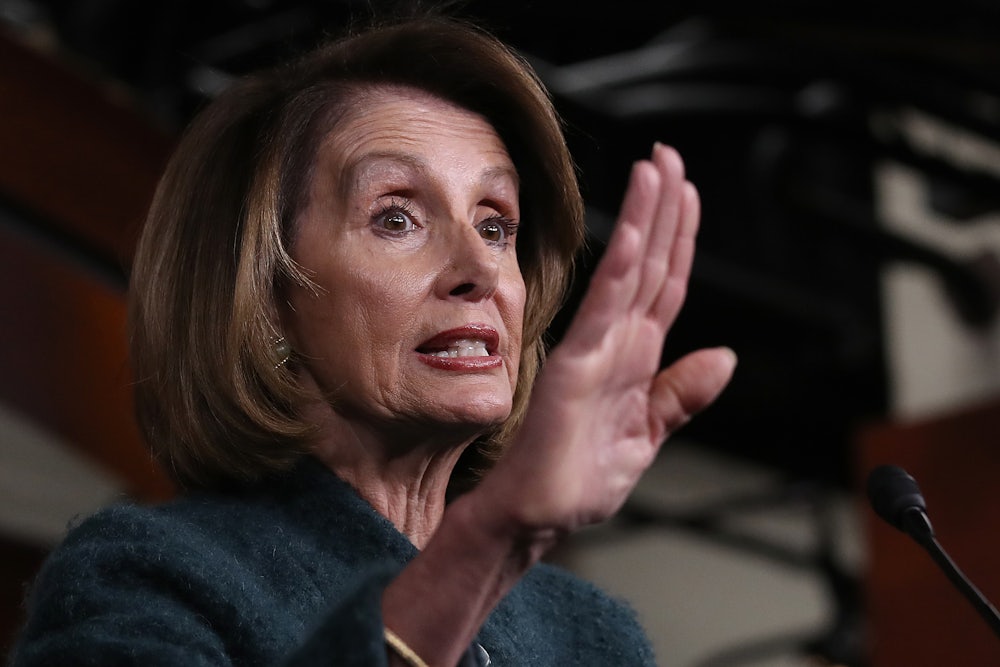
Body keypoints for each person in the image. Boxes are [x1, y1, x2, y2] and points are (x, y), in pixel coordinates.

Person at [10, 15, 735, 667]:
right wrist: (485, 542)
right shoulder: (149, 575)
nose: (479, 269)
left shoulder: (591, 636)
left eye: (494, 224)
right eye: (396, 218)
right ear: (267, 298)